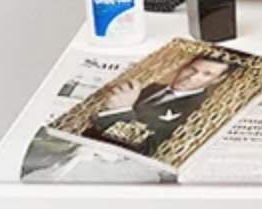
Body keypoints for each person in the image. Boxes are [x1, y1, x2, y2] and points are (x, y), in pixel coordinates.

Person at [87, 55, 235, 156]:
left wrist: (121, 111)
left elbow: (147, 149)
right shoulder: (150, 87)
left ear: (217, 80)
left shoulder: (201, 111)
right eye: (192, 69)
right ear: (184, 66)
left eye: (207, 74)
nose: (192, 77)